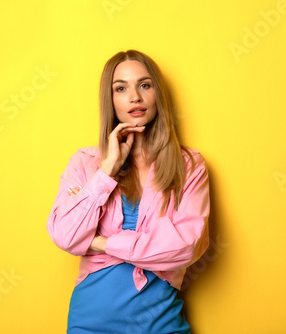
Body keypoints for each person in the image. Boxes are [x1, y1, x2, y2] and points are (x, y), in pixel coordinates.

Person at [47, 49, 210, 333]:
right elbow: (64, 234)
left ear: (158, 93)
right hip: (90, 324)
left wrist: (99, 242)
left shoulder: (189, 165)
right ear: (110, 100)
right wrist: (108, 169)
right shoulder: (85, 163)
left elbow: (187, 246)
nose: (134, 96)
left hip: (161, 324)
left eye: (144, 85)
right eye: (121, 88)